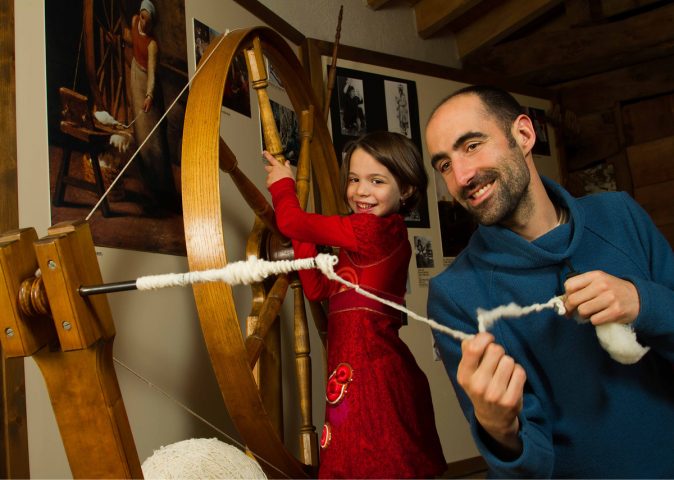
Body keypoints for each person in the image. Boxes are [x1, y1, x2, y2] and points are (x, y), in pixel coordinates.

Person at [424, 85, 674, 478]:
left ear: (523, 135)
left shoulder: (620, 215)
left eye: (471, 145)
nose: (461, 176)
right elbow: (526, 468)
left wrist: (643, 302)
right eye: (443, 165)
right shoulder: (454, 295)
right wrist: (501, 432)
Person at [263, 131, 446, 479]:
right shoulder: (364, 240)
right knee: (352, 459)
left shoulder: (374, 232)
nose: (361, 191)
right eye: (354, 179)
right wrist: (304, 231)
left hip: (372, 374)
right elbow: (317, 288)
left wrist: (284, 187)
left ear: (405, 190)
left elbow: (289, 221)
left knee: (374, 465)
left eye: (376, 181)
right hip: (351, 369)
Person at [121, 0, 179, 212]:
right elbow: (130, 38)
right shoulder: (135, 21)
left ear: (153, 22)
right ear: (140, 15)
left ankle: (162, 192)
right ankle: (148, 186)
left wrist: (149, 96)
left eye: (149, 20)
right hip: (135, 75)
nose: (144, 22)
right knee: (140, 136)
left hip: (147, 86)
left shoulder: (153, 45)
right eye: (143, 17)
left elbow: (153, 74)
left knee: (153, 140)